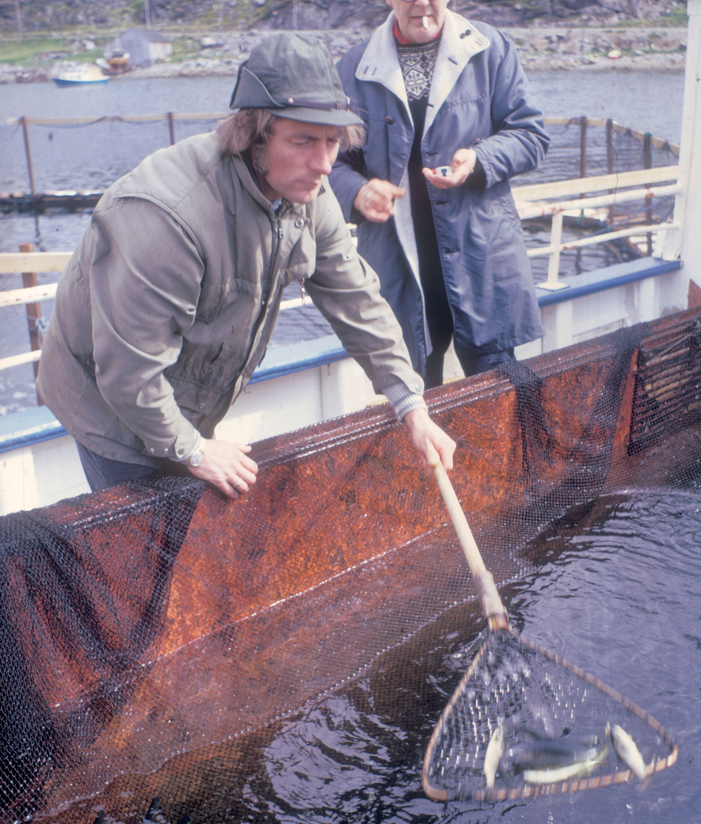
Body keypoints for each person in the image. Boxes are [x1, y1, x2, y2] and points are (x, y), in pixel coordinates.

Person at [37, 33, 455, 499]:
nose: (322, 164)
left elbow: (357, 300)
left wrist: (411, 405)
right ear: (252, 133)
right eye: (302, 141)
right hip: (107, 403)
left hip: (180, 391)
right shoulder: (167, 217)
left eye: (332, 142)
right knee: (143, 555)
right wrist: (193, 449)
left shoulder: (306, 193)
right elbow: (128, 373)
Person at [330, 0, 550, 388]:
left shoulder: (490, 49)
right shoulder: (351, 67)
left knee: (501, 395)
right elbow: (329, 161)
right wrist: (358, 190)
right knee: (413, 398)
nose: (423, 0)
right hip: (398, 265)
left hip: (480, 258)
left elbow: (530, 134)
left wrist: (480, 158)